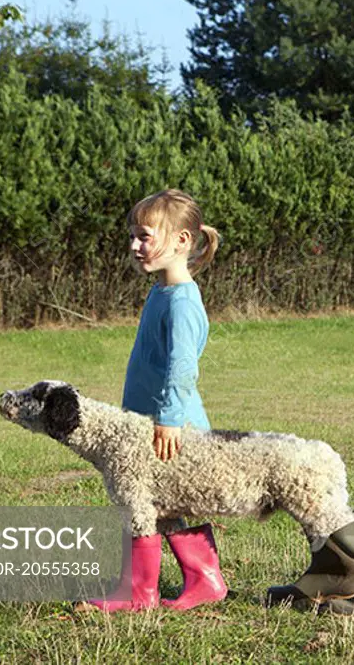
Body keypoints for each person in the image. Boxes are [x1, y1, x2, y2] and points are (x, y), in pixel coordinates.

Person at [85, 189, 227, 613]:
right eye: (133, 236)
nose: (134, 245)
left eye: (144, 236)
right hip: (148, 422)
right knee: (156, 506)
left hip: (171, 427)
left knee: (145, 502)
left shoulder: (183, 301)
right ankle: (190, 583)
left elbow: (183, 369)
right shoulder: (160, 292)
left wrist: (166, 420)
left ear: (182, 241)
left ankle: (148, 591)